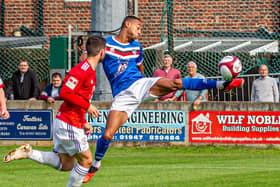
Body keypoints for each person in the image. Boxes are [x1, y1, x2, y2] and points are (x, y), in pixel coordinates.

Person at [82, 16, 244, 183]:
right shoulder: (106, 44)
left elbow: (140, 68)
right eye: (138, 27)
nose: (140, 31)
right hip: (123, 96)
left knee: (175, 83)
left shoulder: (137, 47)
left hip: (141, 84)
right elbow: (89, 60)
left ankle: (221, 84)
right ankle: (96, 164)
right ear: (127, 24)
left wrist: (147, 86)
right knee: (108, 134)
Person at [3, 36, 106, 187]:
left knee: (66, 164)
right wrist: (88, 106)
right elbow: (65, 92)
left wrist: (84, 121)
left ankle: (29, 153)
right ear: (102, 52)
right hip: (68, 122)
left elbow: (77, 98)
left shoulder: (88, 71)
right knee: (87, 160)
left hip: (71, 121)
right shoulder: (83, 70)